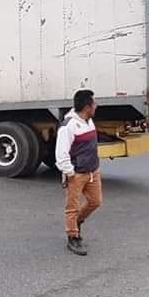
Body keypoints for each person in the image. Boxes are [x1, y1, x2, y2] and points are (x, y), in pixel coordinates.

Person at [55, 89, 101, 256]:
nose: (96, 106)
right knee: (72, 207)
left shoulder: (88, 121)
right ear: (87, 107)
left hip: (92, 171)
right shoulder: (69, 126)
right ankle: (73, 237)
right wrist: (69, 172)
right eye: (94, 104)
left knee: (95, 202)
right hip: (76, 173)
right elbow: (61, 153)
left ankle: (77, 221)